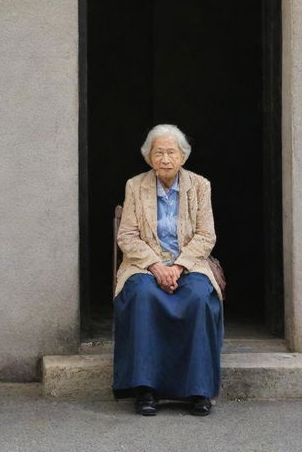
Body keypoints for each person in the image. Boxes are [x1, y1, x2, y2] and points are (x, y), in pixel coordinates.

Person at [112, 123, 224, 416]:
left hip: (189, 264)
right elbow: (127, 236)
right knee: (142, 295)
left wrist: (178, 266)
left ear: (183, 157)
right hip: (145, 265)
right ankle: (145, 389)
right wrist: (156, 265)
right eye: (158, 152)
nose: (164, 159)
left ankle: (199, 390)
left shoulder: (200, 186)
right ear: (149, 157)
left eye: (171, 152)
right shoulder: (136, 186)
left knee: (199, 298)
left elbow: (205, 235)